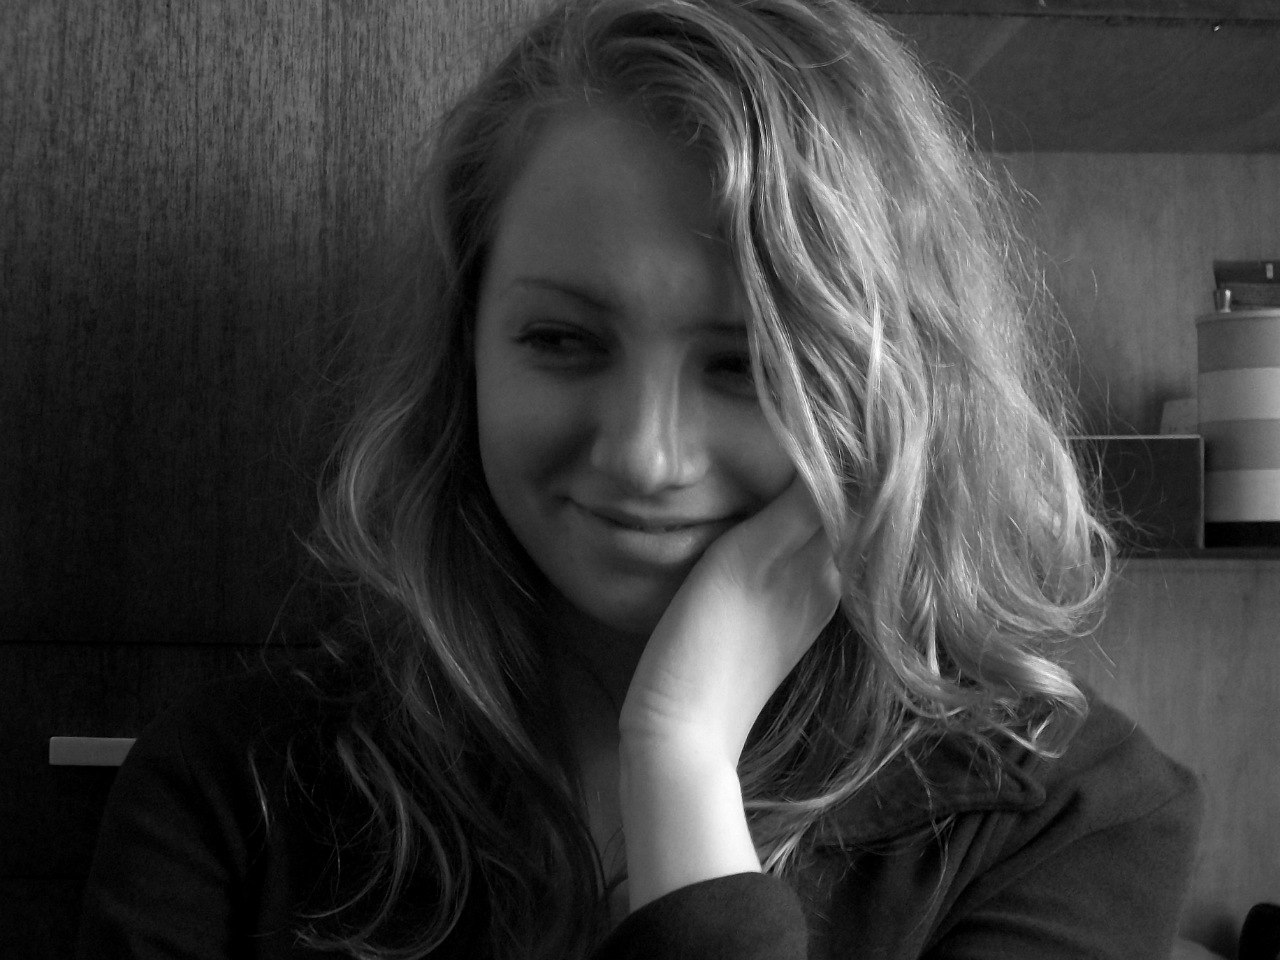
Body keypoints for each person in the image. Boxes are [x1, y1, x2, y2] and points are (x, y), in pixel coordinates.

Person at [77, 1, 1202, 958]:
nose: (642, 457)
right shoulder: (232, 791)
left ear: (894, 391)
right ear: (466, 352)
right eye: (562, 341)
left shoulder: (1073, 818)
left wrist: (680, 757)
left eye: (747, 365)